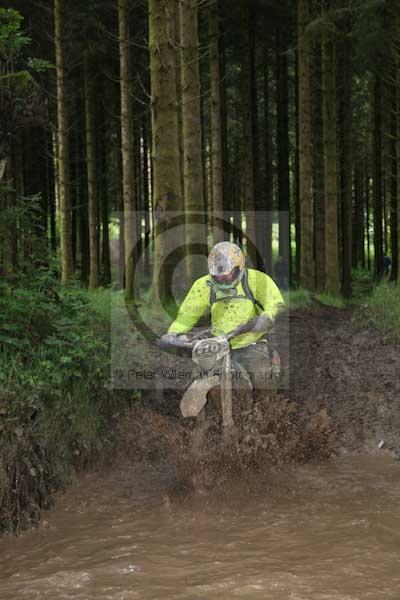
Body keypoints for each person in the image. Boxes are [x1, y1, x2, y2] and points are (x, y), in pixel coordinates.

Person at [160, 242, 285, 391]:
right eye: (217, 277)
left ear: (239, 267)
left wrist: (267, 317)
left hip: (251, 342)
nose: (223, 280)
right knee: (201, 376)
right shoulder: (203, 286)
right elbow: (186, 316)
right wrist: (172, 334)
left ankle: (269, 404)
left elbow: (275, 302)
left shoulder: (257, 280)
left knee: (261, 379)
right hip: (218, 343)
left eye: (227, 276)